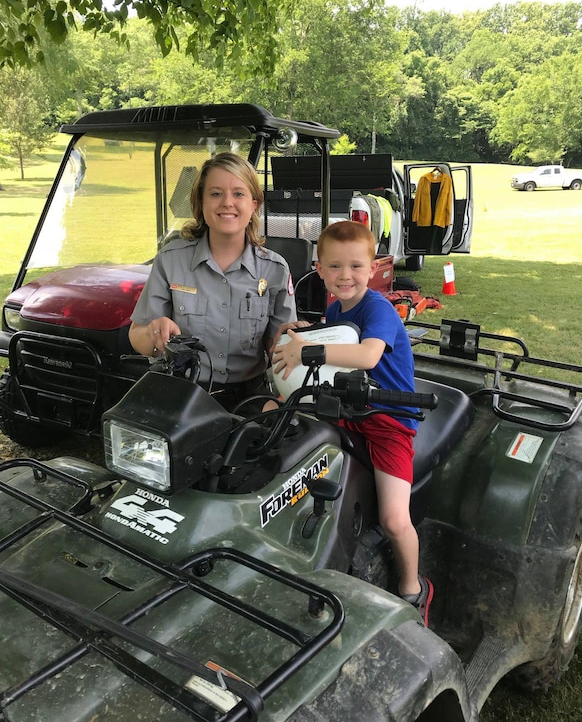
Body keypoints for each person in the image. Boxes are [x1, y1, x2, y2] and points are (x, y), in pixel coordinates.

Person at [271, 220, 433, 625]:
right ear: (320, 268)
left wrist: (310, 352)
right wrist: (309, 333)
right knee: (274, 413)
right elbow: (336, 338)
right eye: (336, 267)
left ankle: (414, 590)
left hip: (388, 419)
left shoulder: (377, 308)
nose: (346, 277)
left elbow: (366, 356)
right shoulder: (335, 306)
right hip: (346, 407)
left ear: (373, 268)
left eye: (356, 267)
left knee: (394, 519)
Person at [129, 152, 297, 411]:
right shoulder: (171, 261)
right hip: (183, 394)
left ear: (254, 204)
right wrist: (154, 332)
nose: (227, 203)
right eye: (216, 193)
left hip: (250, 399)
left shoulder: (274, 270)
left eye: (238, 194)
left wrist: (293, 342)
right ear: (200, 203)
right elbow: (136, 337)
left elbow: (278, 346)